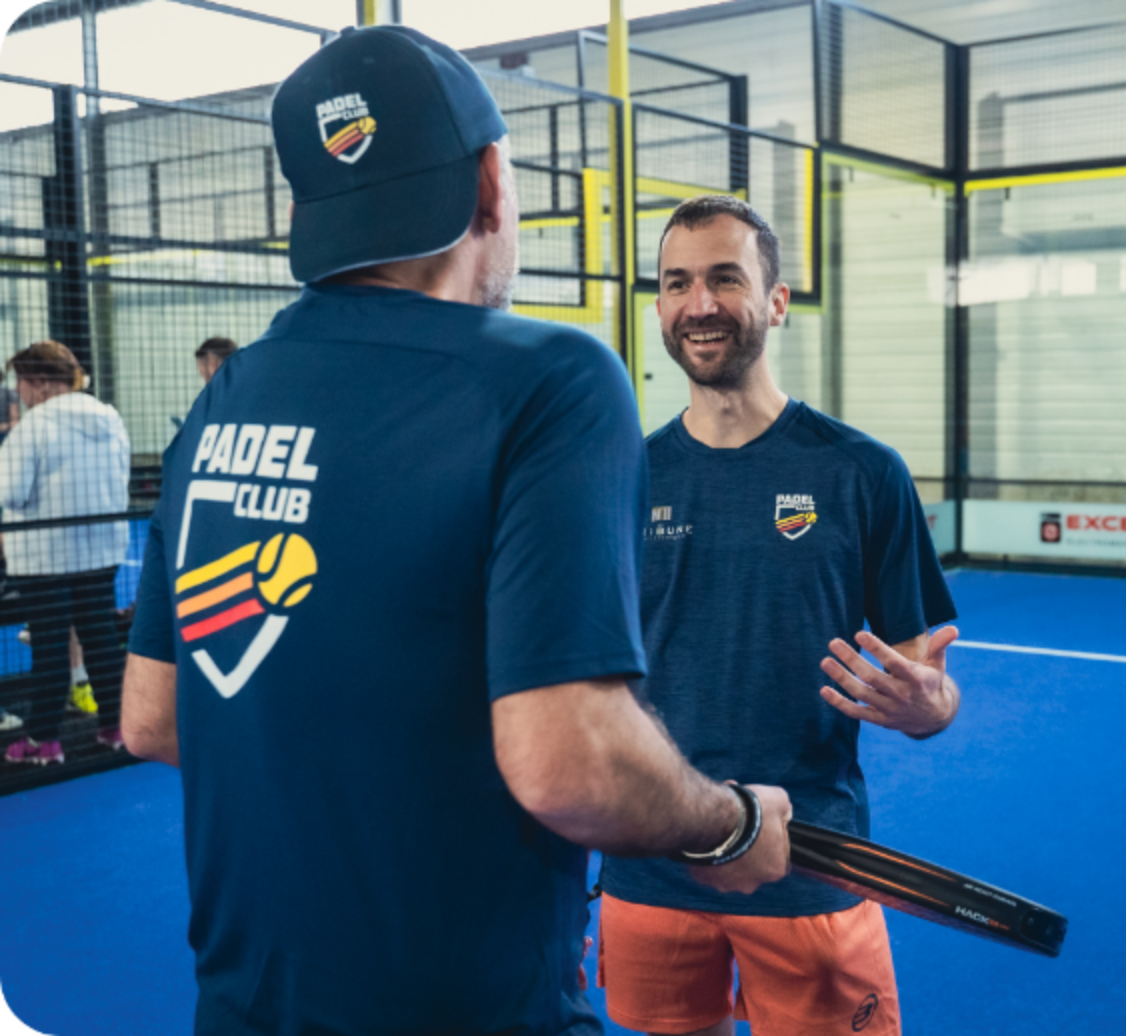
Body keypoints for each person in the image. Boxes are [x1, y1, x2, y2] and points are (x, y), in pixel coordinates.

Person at [120, 28, 793, 1036]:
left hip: (244, 1006)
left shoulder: (227, 397)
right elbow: (570, 765)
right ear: (490, 181)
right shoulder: (549, 379)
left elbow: (156, 716)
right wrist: (727, 822)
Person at [597, 196, 961, 1036]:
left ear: (776, 300)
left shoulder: (863, 472)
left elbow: (931, 686)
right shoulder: (620, 478)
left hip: (809, 864)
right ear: (658, 306)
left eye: (726, 278)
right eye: (677, 283)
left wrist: (926, 706)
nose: (700, 304)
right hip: (651, 865)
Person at [0, 340, 131, 764]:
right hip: (101, 550)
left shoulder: (34, 426)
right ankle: (114, 728)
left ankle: (43, 741)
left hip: (45, 558)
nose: (18, 389)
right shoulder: (109, 417)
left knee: (51, 646)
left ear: (38, 382)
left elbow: (12, 495)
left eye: (20, 380)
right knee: (102, 640)